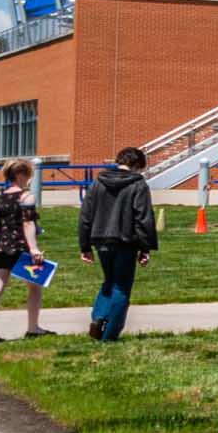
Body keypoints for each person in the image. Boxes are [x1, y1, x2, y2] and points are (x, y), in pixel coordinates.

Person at [78, 146, 157, 344]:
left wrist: (85, 245)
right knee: (122, 286)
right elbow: (143, 217)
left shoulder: (98, 182)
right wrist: (145, 247)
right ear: (137, 165)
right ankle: (110, 333)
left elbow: (86, 215)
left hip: (100, 238)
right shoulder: (138, 184)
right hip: (125, 241)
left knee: (108, 280)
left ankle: (98, 316)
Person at [0, 160, 55, 344]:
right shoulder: (26, 197)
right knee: (34, 288)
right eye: (29, 174)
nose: (30, 179)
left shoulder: (2, 195)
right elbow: (27, 223)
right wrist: (34, 248)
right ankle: (33, 328)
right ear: (20, 175)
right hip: (20, 250)